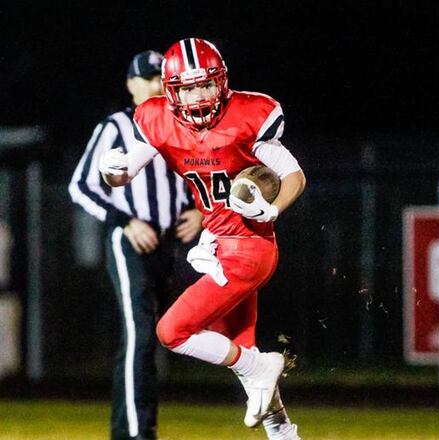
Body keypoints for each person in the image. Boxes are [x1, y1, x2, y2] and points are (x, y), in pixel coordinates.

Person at [98, 38, 305, 440]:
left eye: (207, 85)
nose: (199, 97)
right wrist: (112, 170)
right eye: (189, 89)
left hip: (248, 248)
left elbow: (293, 174)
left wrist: (273, 209)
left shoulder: (247, 116)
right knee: (246, 356)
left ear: (221, 82)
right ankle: (284, 433)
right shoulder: (158, 120)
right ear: (171, 91)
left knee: (171, 332)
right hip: (220, 243)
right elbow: (124, 175)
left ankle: (261, 369)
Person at [69, 50, 204, 440]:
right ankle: (134, 433)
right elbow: (81, 185)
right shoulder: (117, 126)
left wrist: (199, 212)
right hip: (129, 241)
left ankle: (139, 428)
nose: (157, 85)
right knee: (141, 332)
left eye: (162, 78)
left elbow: (201, 176)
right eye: (148, 78)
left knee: (152, 338)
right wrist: (125, 221)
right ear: (131, 84)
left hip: (168, 243)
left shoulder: (181, 124)